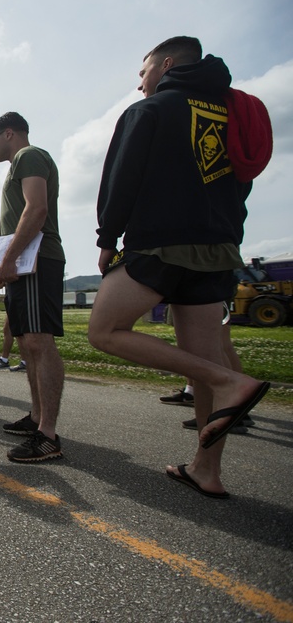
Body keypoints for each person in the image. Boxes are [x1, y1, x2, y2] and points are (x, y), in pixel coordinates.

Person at [87, 36, 272, 497]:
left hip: (163, 244)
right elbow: (242, 184)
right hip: (219, 247)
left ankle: (231, 380)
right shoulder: (230, 111)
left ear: (166, 64)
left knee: (104, 331)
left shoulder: (149, 111)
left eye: (143, 69)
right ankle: (206, 470)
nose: (139, 81)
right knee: (203, 357)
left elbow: (121, 177)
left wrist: (107, 238)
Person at [0, 112, 66, 462]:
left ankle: (47, 435)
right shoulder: (18, 164)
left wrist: (9, 260)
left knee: (38, 340)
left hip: (36, 261)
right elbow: (9, 227)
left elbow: (36, 210)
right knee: (27, 342)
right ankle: (36, 418)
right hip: (24, 262)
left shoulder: (28, 156)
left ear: (9, 133)